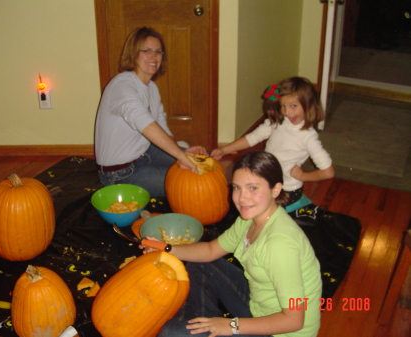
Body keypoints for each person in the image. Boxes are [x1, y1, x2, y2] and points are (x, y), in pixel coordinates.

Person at [142, 151, 322, 337]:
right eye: (237, 188)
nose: (242, 198)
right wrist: (166, 248)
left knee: (173, 333)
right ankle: (206, 325)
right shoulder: (251, 218)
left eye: (253, 188)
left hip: (279, 330)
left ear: (275, 189)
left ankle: (205, 327)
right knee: (199, 263)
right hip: (258, 305)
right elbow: (211, 250)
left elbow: (294, 320)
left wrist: (231, 326)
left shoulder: (280, 245)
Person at [94, 26, 206, 197]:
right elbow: (145, 124)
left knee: (199, 163)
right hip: (120, 174)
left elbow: (162, 128)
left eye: (158, 52)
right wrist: (180, 156)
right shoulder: (121, 85)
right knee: (191, 184)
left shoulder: (152, 88)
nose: (154, 57)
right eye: (147, 51)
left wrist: (182, 152)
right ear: (133, 53)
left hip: (146, 153)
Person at [211, 77, 334, 210]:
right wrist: (225, 150)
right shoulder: (277, 122)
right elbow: (253, 138)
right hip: (266, 180)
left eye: (294, 106)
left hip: (287, 190)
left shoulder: (308, 138)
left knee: (267, 218)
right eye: (283, 106)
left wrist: (303, 176)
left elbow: (328, 172)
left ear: (308, 105)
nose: (287, 112)